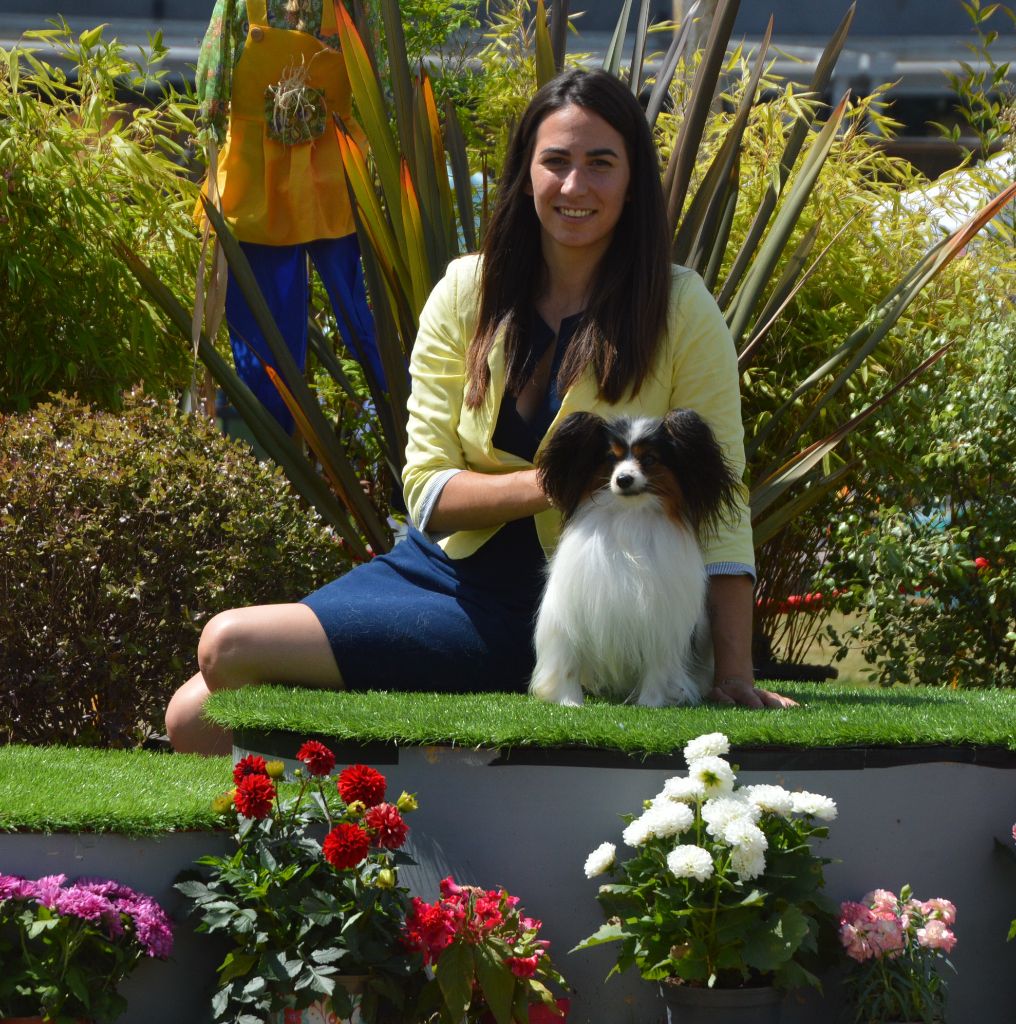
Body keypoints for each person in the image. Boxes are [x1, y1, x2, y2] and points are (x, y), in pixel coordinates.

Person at [166, 68, 794, 755]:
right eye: (554, 162)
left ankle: (370, 825)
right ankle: (319, 850)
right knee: (193, 709)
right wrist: (563, 479)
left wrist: (733, 673)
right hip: (444, 572)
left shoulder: (681, 307)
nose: (574, 187)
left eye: (600, 165)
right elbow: (427, 490)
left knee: (227, 647)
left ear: (633, 181)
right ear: (525, 174)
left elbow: (720, 503)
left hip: (571, 610)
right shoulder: (466, 289)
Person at [196, 0, 386, 432]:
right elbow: (211, 92)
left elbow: (382, 87)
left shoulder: (354, 7)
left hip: (336, 177)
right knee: (265, 338)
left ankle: (405, 436)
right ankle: (278, 456)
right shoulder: (240, 6)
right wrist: (209, 128)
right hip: (256, 181)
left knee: (368, 318)